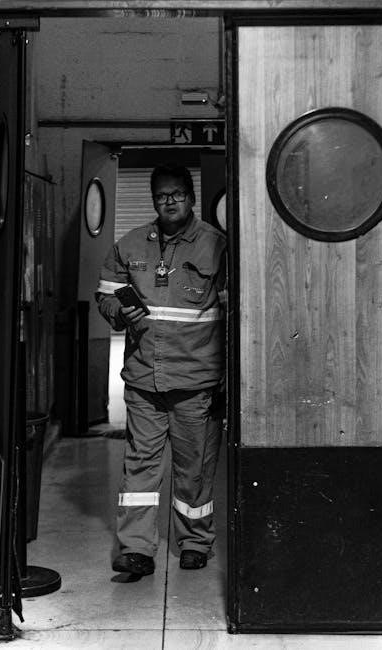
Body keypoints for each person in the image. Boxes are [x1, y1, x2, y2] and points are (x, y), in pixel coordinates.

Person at [96, 163, 226, 576]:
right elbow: (105, 295)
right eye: (161, 195)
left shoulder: (216, 246)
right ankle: (136, 549)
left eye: (176, 194)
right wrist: (119, 312)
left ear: (191, 196)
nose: (169, 202)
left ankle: (195, 541)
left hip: (195, 379)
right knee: (140, 465)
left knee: (194, 468)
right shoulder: (131, 244)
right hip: (143, 378)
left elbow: (236, 314)